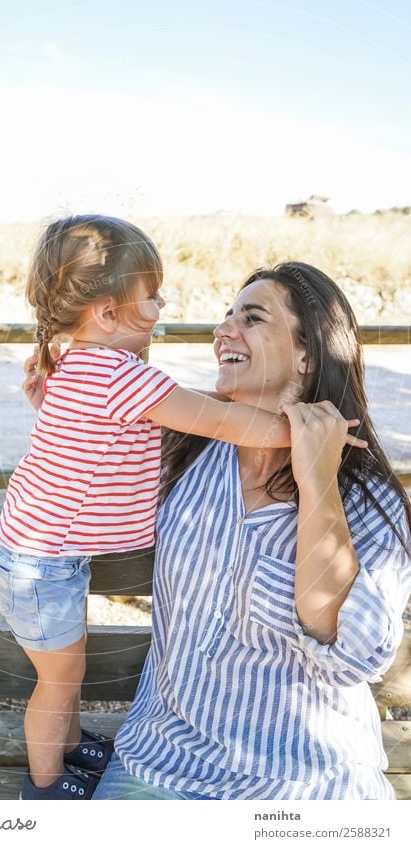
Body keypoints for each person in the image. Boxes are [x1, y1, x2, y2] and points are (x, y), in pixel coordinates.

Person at [0, 216, 366, 802]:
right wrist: (308, 432)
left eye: (251, 317)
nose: (165, 305)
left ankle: (65, 742)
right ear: (108, 314)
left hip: (38, 559)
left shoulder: (85, 367)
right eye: (152, 295)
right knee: (59, 683)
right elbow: (219, 420)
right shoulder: (118, 375)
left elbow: (103, 436)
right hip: (41, 568)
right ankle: (46, 788)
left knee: (67, 676)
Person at [88, 261, 411, 800]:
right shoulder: (183, 454)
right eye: (225, 317)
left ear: (309, 354)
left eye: (252, 318)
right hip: (162, 761)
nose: (222, 332)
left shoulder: (365, 495)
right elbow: (82, 495)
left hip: (302, 784)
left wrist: (316, 480)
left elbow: (356, 652)